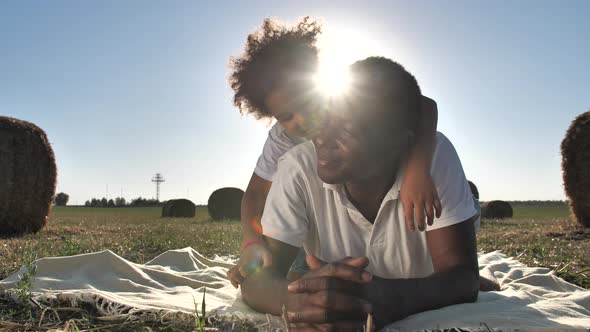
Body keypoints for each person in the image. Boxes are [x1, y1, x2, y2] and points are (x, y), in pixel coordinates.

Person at [240, 57, 480, 330]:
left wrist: (389, 298)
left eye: (347, 127)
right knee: (301, 270)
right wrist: (302, 304)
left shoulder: (432, 157)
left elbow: (465, 280)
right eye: (325, 118)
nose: (320, 136)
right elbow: (256, 281)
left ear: (400, 142)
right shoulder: (296, 165)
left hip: (446, 199)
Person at [227, 17, 440, 286]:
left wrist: (417, 171)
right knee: (294, 279)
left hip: (392, 214)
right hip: (325, 230)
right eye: (286, 115)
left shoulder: (351, 98)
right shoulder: (282, 139)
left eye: (305, 100)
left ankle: (448, 269)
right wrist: (251, 243)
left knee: (434, 246)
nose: (302, 120)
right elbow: (256, 194)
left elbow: (424, 105)